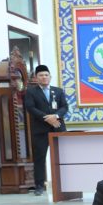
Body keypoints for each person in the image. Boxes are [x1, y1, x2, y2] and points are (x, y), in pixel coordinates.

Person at [24, 64, 68, 195]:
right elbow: (30, 107)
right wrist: (47, 118)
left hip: (58, 128)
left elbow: (64, 107)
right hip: (40, 130)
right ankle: (39, 186)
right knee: (40, 158)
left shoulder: (58, 91)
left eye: (46, 75)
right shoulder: (31, 91)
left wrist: (55, 116)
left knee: (62, 157)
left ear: (50, 77)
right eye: (41, 75)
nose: (44, 77)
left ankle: (65, 183)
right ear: (36, 78)